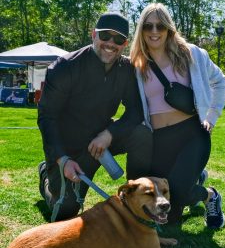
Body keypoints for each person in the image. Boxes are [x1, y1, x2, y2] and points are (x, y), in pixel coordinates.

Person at [38, 12, 152, 221]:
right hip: (69, 149)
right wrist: (61, 159)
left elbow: (136, 111)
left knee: (142, 134)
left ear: (125, 44)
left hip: (101, 141)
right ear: (93, 35)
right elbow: (47, 117)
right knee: (65, 211)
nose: (111, 43)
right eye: (105, 36)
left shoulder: (127, 69)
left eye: (118, 39)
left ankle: (137, 200)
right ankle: (47, 176)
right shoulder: (64, 66)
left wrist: (109, 134)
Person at [130, 3, 225, 228]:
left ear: (169, 29)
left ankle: (210, 196)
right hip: (159, 139)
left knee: (176, 195)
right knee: (165, 213)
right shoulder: (137, 65)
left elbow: (219, 81)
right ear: (141, 30)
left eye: (160, 26)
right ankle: (193, 178)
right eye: (148, 26)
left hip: (192, 134)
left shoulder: (191, 54)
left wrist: (211, 116)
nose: (154, 31)